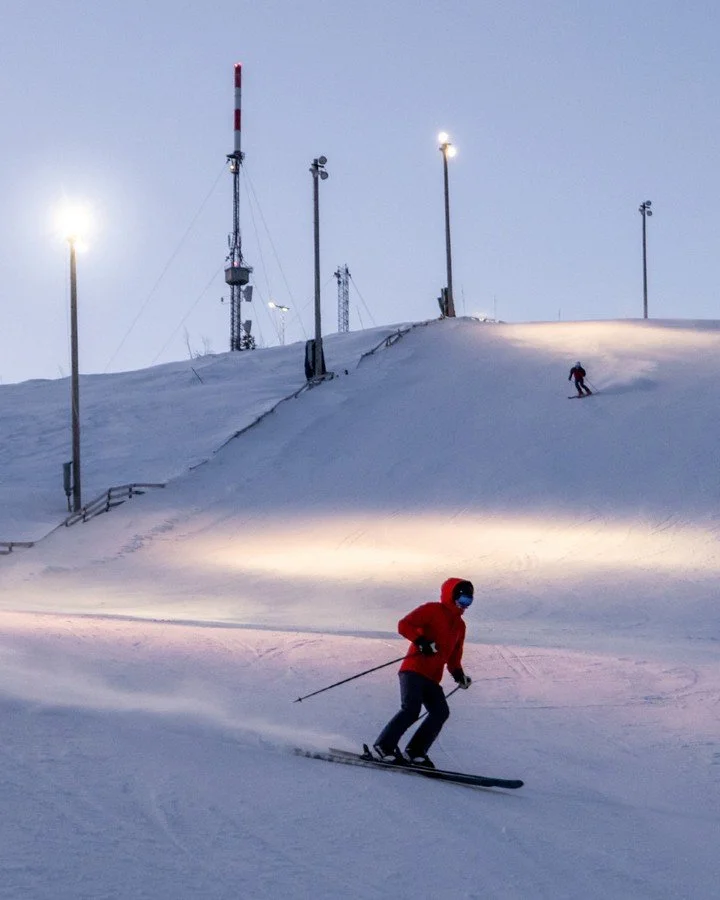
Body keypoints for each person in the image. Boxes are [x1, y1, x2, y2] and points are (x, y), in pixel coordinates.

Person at [373, 577, 474, 769]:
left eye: (469, 601)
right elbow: (404, 625)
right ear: (452, 596)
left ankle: (415, 752)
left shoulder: (460, 626)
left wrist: (459, 674)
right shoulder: (433, 610)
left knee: (440, 712)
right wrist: (421, 642)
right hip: (413, 670)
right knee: (411, 710)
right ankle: (383, 747)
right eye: (463, 600)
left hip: (432, 677)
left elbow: (454, 657)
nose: (465, 605)